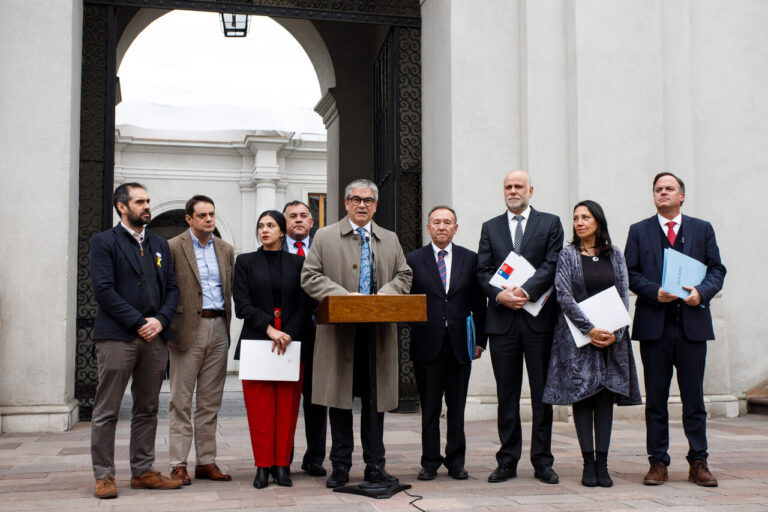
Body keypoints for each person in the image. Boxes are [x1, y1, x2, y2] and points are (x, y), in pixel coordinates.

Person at [301, 178, 413, 489]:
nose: (361, 205)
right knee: (339, 401)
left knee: (375, 402)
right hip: (339, 334)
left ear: (375, 206)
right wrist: (343, 297)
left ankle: (376, 465)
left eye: (367, 200)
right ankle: (340, 465)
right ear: (346, 203)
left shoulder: (389, 239)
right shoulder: (324, 236)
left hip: (378, 333)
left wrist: (385, 295)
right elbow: (309, 276)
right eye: (355, 199)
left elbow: (404, 274)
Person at [625, 172, 726, 487]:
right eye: (658, 189)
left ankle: (699, 461)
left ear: (682, 196)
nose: (663, 192)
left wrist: (701, 293)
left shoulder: (702, 229)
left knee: (694, 399)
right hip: (654, 327)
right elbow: (629, 273)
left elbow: (717, 269)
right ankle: (658, 462)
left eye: (669, 188)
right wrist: (654, 292)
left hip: (691, 326)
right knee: (655, 399)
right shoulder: (639, 230)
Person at [89, 182, 182, 499]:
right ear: (122, 206)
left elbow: (172, 288)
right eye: (140, 201)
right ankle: (104, 476)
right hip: (117, 337)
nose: (147, 206)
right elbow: (103, 290)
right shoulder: (104, 242)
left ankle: (143, 471)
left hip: (154, 338)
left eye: (148, 201)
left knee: (148, 408)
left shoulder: (159, 244)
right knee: (107, 410)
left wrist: (161, 320)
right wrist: (138, 322)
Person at [543, 200, 641, 488]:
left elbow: (623, 293)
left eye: (585, 217)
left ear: (598, 221)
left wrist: (615, 331)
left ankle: (603, 464)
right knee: (583, 397)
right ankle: (588, 463)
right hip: (578, 339)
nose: (579, 222)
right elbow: (563, 296)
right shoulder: (567, 255)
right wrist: (590, 328)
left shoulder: (616, 254)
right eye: (576, 218)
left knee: (604, 398)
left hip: (611, 338)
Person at [477, 170, 564, 484]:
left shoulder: (550, 223)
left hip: (538, 321)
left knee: (542, 395)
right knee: (507, 396)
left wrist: (526, 291)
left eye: (518, 186)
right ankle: (507, 461)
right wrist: (499, 295)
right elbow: (483, 270)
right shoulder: (490, 227)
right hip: (503, 323)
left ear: (530, 190)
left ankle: (542, 461)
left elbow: (552, 263)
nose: (513, 191)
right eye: (508, 187)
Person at [406, 205, 487, 481]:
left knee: (457, 407)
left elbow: (479, 304)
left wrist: (480, 341)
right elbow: (407, 300)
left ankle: (456, 461)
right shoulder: (414, 259)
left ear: (456, 228)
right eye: (437, 222)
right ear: (428, 228)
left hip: (459, 346)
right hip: (426, 345)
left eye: (447, 222)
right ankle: (429, 462)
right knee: (429, 408)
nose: (442, 227)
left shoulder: (470, 259)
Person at [233, 210, 312, 489]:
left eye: (270, 225)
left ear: (282, 232)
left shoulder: (299, 262)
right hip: (257, 339)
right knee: (260, 410)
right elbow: (242, 304)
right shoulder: (245, 262)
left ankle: (281, 466)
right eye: (260, 226)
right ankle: (262, 466)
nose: (264, 230)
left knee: (287, 409)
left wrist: (288, 332)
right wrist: (270, 329)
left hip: (291, 341)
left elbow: (306, 304)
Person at [167, 195, 234, 485]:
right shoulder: (173, 247)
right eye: (203, 215)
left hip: (219, 327)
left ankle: (206, 461)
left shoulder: (225, 249)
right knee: (180, 401)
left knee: (210, 402)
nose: (209, 219)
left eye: (212, 214)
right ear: (189, 219)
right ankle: (178, 464)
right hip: (186, 329)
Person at [282, 200, 328, 477]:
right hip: (286, 336)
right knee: (285, 402)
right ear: (284, 222)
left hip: (320, 334)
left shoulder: (323, 249)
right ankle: (282, 458)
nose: (298, 220)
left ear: (312, 222)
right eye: (292, 216)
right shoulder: (275, 250)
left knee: (317, 400)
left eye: (303, 216)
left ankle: (315, 458)